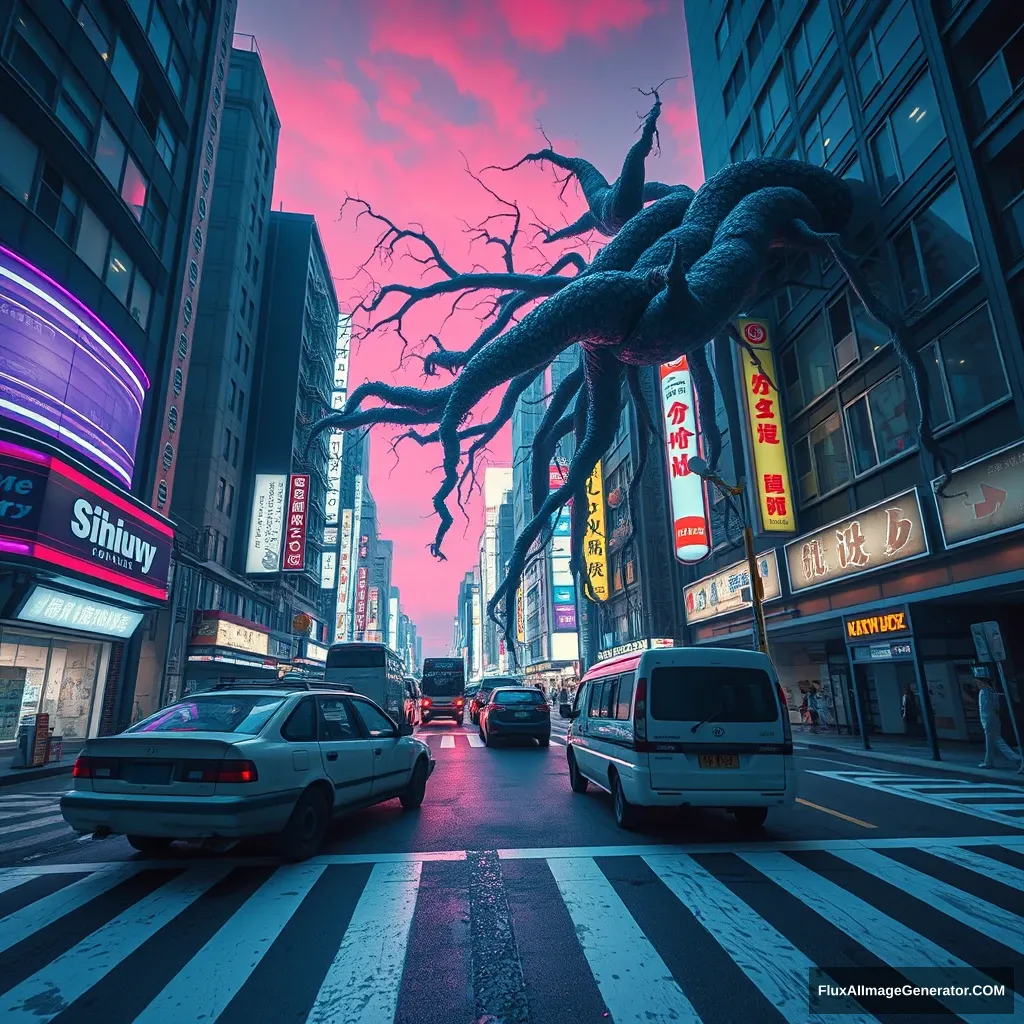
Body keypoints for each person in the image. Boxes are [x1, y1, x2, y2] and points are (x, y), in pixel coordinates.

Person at [976, 677, 1023, 772]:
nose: (977, 685)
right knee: (991, 742)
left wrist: (985, 722)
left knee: (997, 741)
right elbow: (996, 707)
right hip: (994, 719)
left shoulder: (984, 693)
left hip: (988, 720)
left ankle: (1017, 758)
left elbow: (985, 709)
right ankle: (988, 762)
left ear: (983, 683)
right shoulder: (993, 692)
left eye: (978, 683)